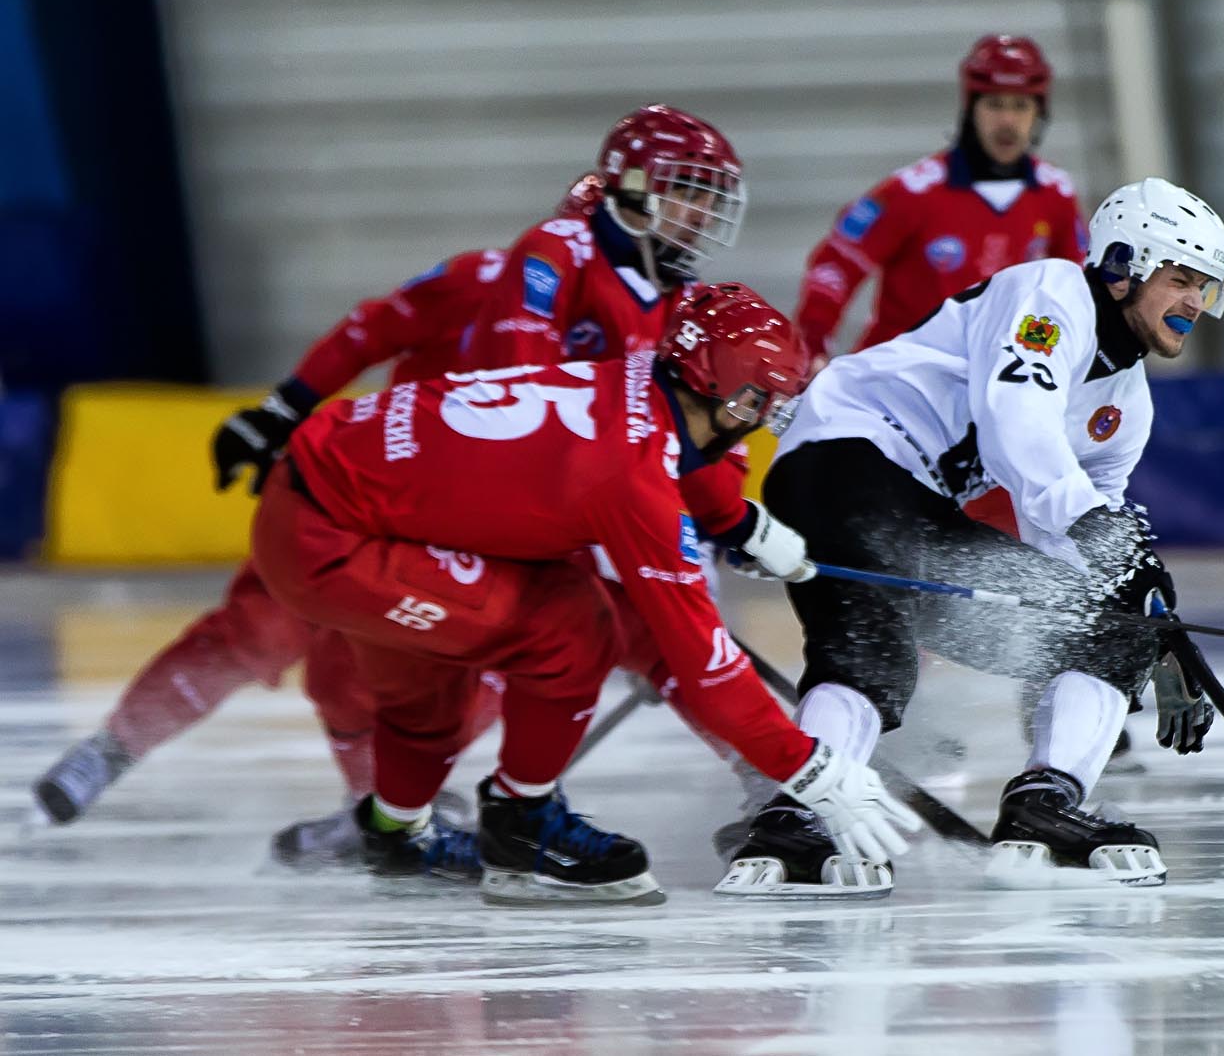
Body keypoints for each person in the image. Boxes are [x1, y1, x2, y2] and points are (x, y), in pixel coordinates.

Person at [30, 104, 751, 856]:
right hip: (368, 496)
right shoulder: (497, 277)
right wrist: (280, 411)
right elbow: (375, 328)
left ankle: (384, 807)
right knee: (262, 630)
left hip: (464, 526)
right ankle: (120, 750)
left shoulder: (656, 323)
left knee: (456, 664)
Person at [251, 282, 921, 902]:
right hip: (330, 540)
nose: (762, 418)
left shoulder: (640, 376)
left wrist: (737, 520)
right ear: (718, 387)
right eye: (758, 401)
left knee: (426, 696)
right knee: (574, 626)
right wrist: (813, 771)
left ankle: (394, 836)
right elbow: (704, 661)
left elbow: (686, 454)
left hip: (338, 496)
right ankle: (524, 823)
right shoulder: (630, 480)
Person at [716, 178, 1224, 898]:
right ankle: (1047, 803)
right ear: (1121, 267)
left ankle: (797, 817)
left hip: (834, 482)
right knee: (1105, 625)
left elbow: (1082, 552)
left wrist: (1153, 622)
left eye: (1207, 286)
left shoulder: (1129, 405)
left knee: (870, 658)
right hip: (854, 464)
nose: (1194, 303)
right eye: (1179, 279)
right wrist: (1122, 591)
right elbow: (1017, 427)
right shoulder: (1053, 294)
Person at [793, 34, 1086, 367]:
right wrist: (813, 342)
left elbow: (1080, 290)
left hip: (997, 383)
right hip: (897, 381)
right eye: (994, 104)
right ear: (970, 108)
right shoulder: (913, 191)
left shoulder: (1056, 194)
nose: (1007, 121)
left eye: (1020, 106)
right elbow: (836, 265)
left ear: (1039, 113)